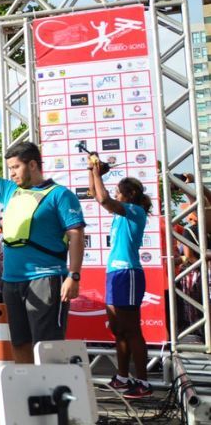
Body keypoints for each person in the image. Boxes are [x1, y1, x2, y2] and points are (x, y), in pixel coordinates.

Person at [0, 131, 86, 363]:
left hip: (46, 277)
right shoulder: (10, 190)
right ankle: (31, 394)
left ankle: (50, 394)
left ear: (32, 165)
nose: (12, 173)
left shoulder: (60, 195)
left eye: (16, 167)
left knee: (46, 345)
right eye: (10, 168)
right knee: (19, 342)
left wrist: (74, 275)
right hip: (12, 280)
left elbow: (76, 235)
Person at [89, 161, 152, 399]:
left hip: (128, 273)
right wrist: (91, 171)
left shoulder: (135, 211)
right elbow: (96, 194)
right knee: (118, 329)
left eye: (118, 192)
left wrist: (97, 172)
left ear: (131, 195)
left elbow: (104, 199)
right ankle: (123, 377)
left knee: (132, 330)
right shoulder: (121, 213)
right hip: (115, 273)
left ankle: (143, 382)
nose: (114, 195)